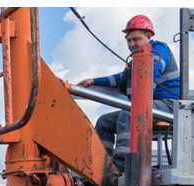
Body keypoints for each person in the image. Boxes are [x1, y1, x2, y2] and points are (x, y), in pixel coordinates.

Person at [77, 14, 180, 170]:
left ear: (148, 37)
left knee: (129, 113)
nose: (132, 44)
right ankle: (103, 167)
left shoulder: (159, 50)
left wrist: (139, 102)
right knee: (105, 121)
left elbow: (152, 71)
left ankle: (121, 167)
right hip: (150, 107)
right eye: (129, 40)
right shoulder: (136, 59)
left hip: (169, 106)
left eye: (136, 39)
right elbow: (120, 78)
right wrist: (94, 80)